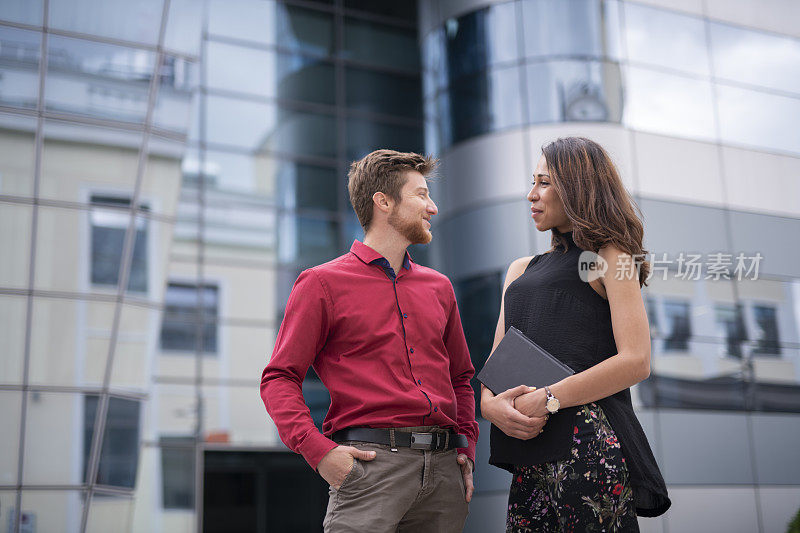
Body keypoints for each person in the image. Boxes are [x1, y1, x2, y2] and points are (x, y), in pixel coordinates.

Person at [260, 149, 479, 533]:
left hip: (445, 475)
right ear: (383, 201)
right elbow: (279, 378)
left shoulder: (439, 288)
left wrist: (466, 450)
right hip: (370, 469)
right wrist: (320, 453)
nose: (433, 207)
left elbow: (461, 378)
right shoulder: (321, 283)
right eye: (422, 195)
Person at [480, 137, 671, 531]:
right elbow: (494, 369)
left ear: (578, 186)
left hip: (588, 440)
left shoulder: (613, 256)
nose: (531, 194)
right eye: (532, 182)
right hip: (528, 452)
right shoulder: (518, 270)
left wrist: (548, 399)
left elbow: (636, 361)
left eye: (544, 182)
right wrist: (488, 407)